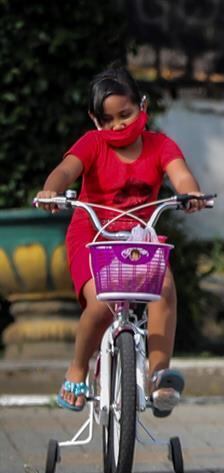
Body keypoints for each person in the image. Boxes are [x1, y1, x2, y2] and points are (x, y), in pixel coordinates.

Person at [35, 66, 206, 417]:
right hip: (92, 235)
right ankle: (78, 367)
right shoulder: (92, 144)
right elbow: (66, 170)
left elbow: (181, 173)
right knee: (100, 302)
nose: (117, 126)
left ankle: (159, 375)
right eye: (108, 119)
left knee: (165, 286)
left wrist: (190, 194)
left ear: (142, 106)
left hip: (138, 238)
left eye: (125, 115)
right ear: (94, 120)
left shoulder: (160, 146)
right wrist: (52, 189)